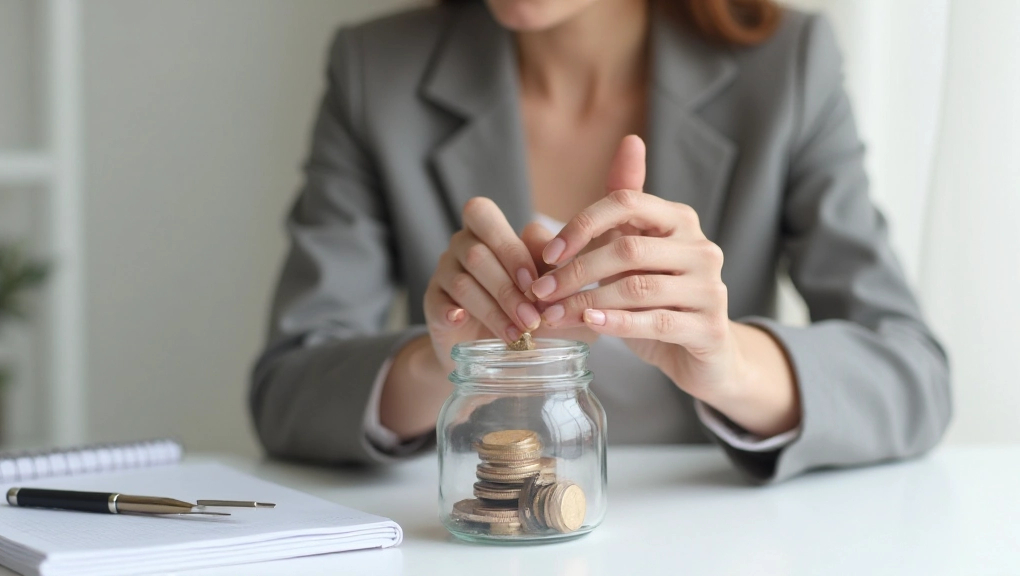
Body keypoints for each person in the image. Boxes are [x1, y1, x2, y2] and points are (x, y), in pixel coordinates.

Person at [250, 0, 950, 483]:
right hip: (477, 533)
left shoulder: (788, 65)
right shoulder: (376, 71)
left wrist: (731, 363)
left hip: (716, 531)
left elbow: (914, 377)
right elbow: (286, 392)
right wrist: (443, 367)